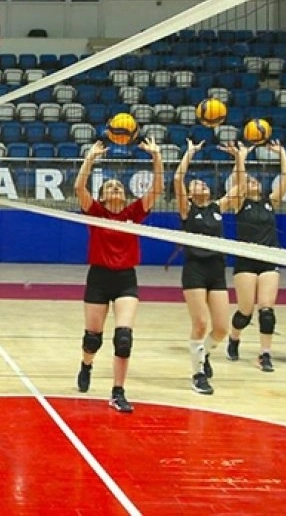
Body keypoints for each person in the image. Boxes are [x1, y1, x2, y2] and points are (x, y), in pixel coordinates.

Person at [73, 138, 163, 413]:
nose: (115, 188)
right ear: (101, 196)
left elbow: (158, 187)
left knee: (124, 338)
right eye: (110, 186)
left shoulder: (133, 214)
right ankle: (86, 365)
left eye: (119, 186)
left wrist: (156, 157)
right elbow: (79, 188)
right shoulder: (96, 212)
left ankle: (118, 392)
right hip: (99, 278)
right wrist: (89, 159)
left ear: (125, 196)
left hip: (125, 279)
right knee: (93, 338)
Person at [173, 139, 246, 395]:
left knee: (222, 329)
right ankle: (197, 374)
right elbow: (177, 179)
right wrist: (189, 153)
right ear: (190, 194)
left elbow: (239, 188)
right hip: (194, 269)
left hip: (216, 269)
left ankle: (203, 354)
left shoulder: (217, 207)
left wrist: (239, 158)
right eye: (196, 184)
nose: (200, 184)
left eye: (203, 183)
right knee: (201, 324)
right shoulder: (186, 209)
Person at [227, 140, 286, 373]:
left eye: (256, 181)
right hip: (245, 262)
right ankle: (234, 338)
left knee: (266, 310)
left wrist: (282, 153)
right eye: (249, 181)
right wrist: (240, 157)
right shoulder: (238, 203)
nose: (252, 182)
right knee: (245, 310)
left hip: (268, 260)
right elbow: (239, 181)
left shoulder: (269, 203)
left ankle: (265, 354)